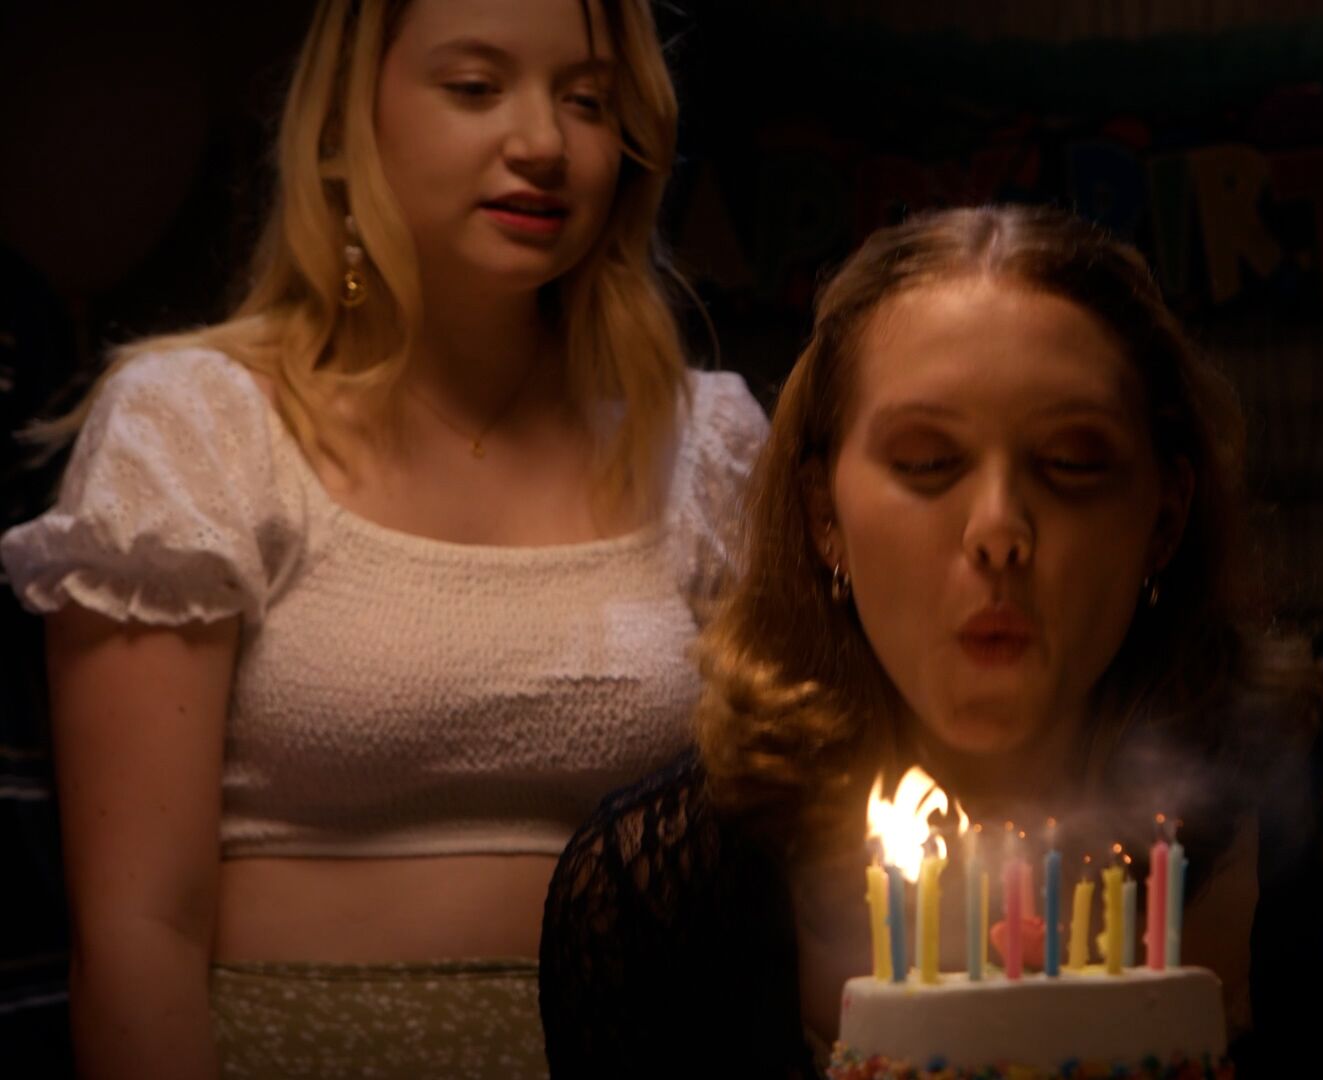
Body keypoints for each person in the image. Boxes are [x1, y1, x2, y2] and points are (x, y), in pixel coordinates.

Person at [537, 204, 1323, 1076]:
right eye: (928, 462)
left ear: (1165, 515)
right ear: (824, 514)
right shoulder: (659, 894)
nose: (999, 530)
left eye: (1071, 463)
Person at [0, 0, 765, 1075]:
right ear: (346, 123)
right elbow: (137, 938)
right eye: (475, 87)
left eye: (589, 101)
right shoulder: (197, 428)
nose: (543, 142)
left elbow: (788, 861)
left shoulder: (707, 444)